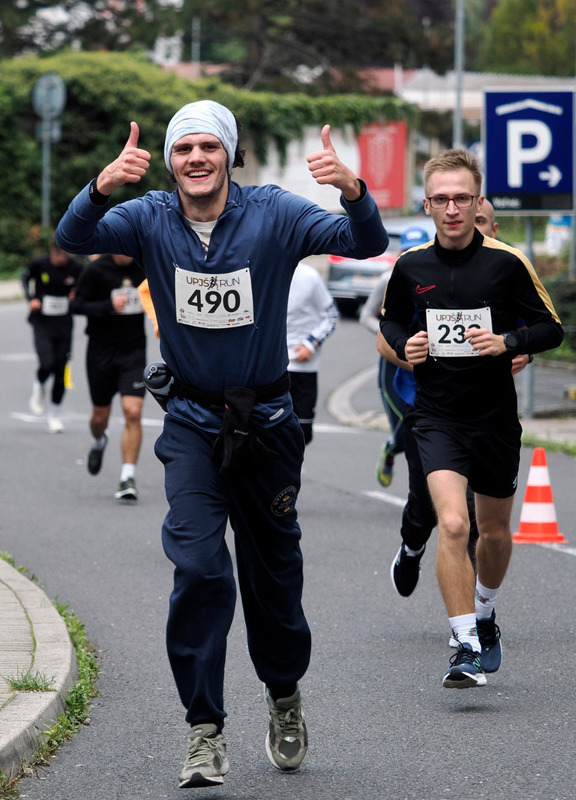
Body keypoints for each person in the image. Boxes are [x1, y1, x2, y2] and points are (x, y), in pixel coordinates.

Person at [56, 101, 387, 788]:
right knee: (201, 570)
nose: (196, 158)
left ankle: (284, 692)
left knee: (274, 580)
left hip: (267, 423)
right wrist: (101, 186)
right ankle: (204, 729)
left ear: (229, 154)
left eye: (209, 146)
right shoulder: (148, 217)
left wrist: (353, 191)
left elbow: (363, 243)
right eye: (183, 149)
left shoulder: (275, 213)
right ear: (170, 161)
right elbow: (74, 236)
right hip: (192, 424)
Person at [379, 150, 563, 689]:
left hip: (494, 420)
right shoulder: (411, 266)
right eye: (442, 199)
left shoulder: (508, 262)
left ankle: (484, 614)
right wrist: (406, 345)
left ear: (478, 201)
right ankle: (464, 647)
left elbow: (551, 328)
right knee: (455, 524)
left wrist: (509, 341)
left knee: (495, 533)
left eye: (462, 198)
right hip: (437, 416)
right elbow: (389, 324)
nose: (453, 209)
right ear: (427, 205)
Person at [378, 198, 533, 618]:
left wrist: (520, 351)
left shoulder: (504, 272)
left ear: (493, 230)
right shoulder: (421, 270)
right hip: (430, 410)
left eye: (479, 220)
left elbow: (529, 332)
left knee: (475, 522)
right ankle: (411, 548)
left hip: (487, 415)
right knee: (425, 508)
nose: (464, 222)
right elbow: (384, 337)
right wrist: (414, 356)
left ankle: (474, 621)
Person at [71, 253, 148, 502]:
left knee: (133, 412)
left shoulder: (144, 265)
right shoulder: (96, 270)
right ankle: (98, 440)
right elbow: (76, 305)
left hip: (133, 350)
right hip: (101, 350)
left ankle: (127, 477)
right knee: (99, 416)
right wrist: (108, 306)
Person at [360, 226, 431, 483]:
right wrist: (391, 335)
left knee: (422, 426)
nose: (410, 256)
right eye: (405, 251)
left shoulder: (435, 277)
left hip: (425, 362)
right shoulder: (388, 280)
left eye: (416, 250)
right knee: (402, 427)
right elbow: (366, 316)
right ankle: (391, 450)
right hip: (393, 360)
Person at [21, 241, 83, 432]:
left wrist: (77, 294)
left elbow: (85, 286)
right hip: (42, 322)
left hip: (64, 323)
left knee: (61, 370)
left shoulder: (76, 268)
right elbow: (25, 278)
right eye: (57, 255)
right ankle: (39, 385)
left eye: (65, 255)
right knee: (46, 363)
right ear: (52, 252)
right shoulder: (40, 264)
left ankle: (54, 414)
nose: (60, 259)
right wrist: (31, 298)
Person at [286, 262, 339, 445]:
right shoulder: (259, 271)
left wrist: (310, 344)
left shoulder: (309, 276)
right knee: (265, 431)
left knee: (302, 432)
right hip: (268, 367)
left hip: (301, 366)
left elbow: (331, 316)